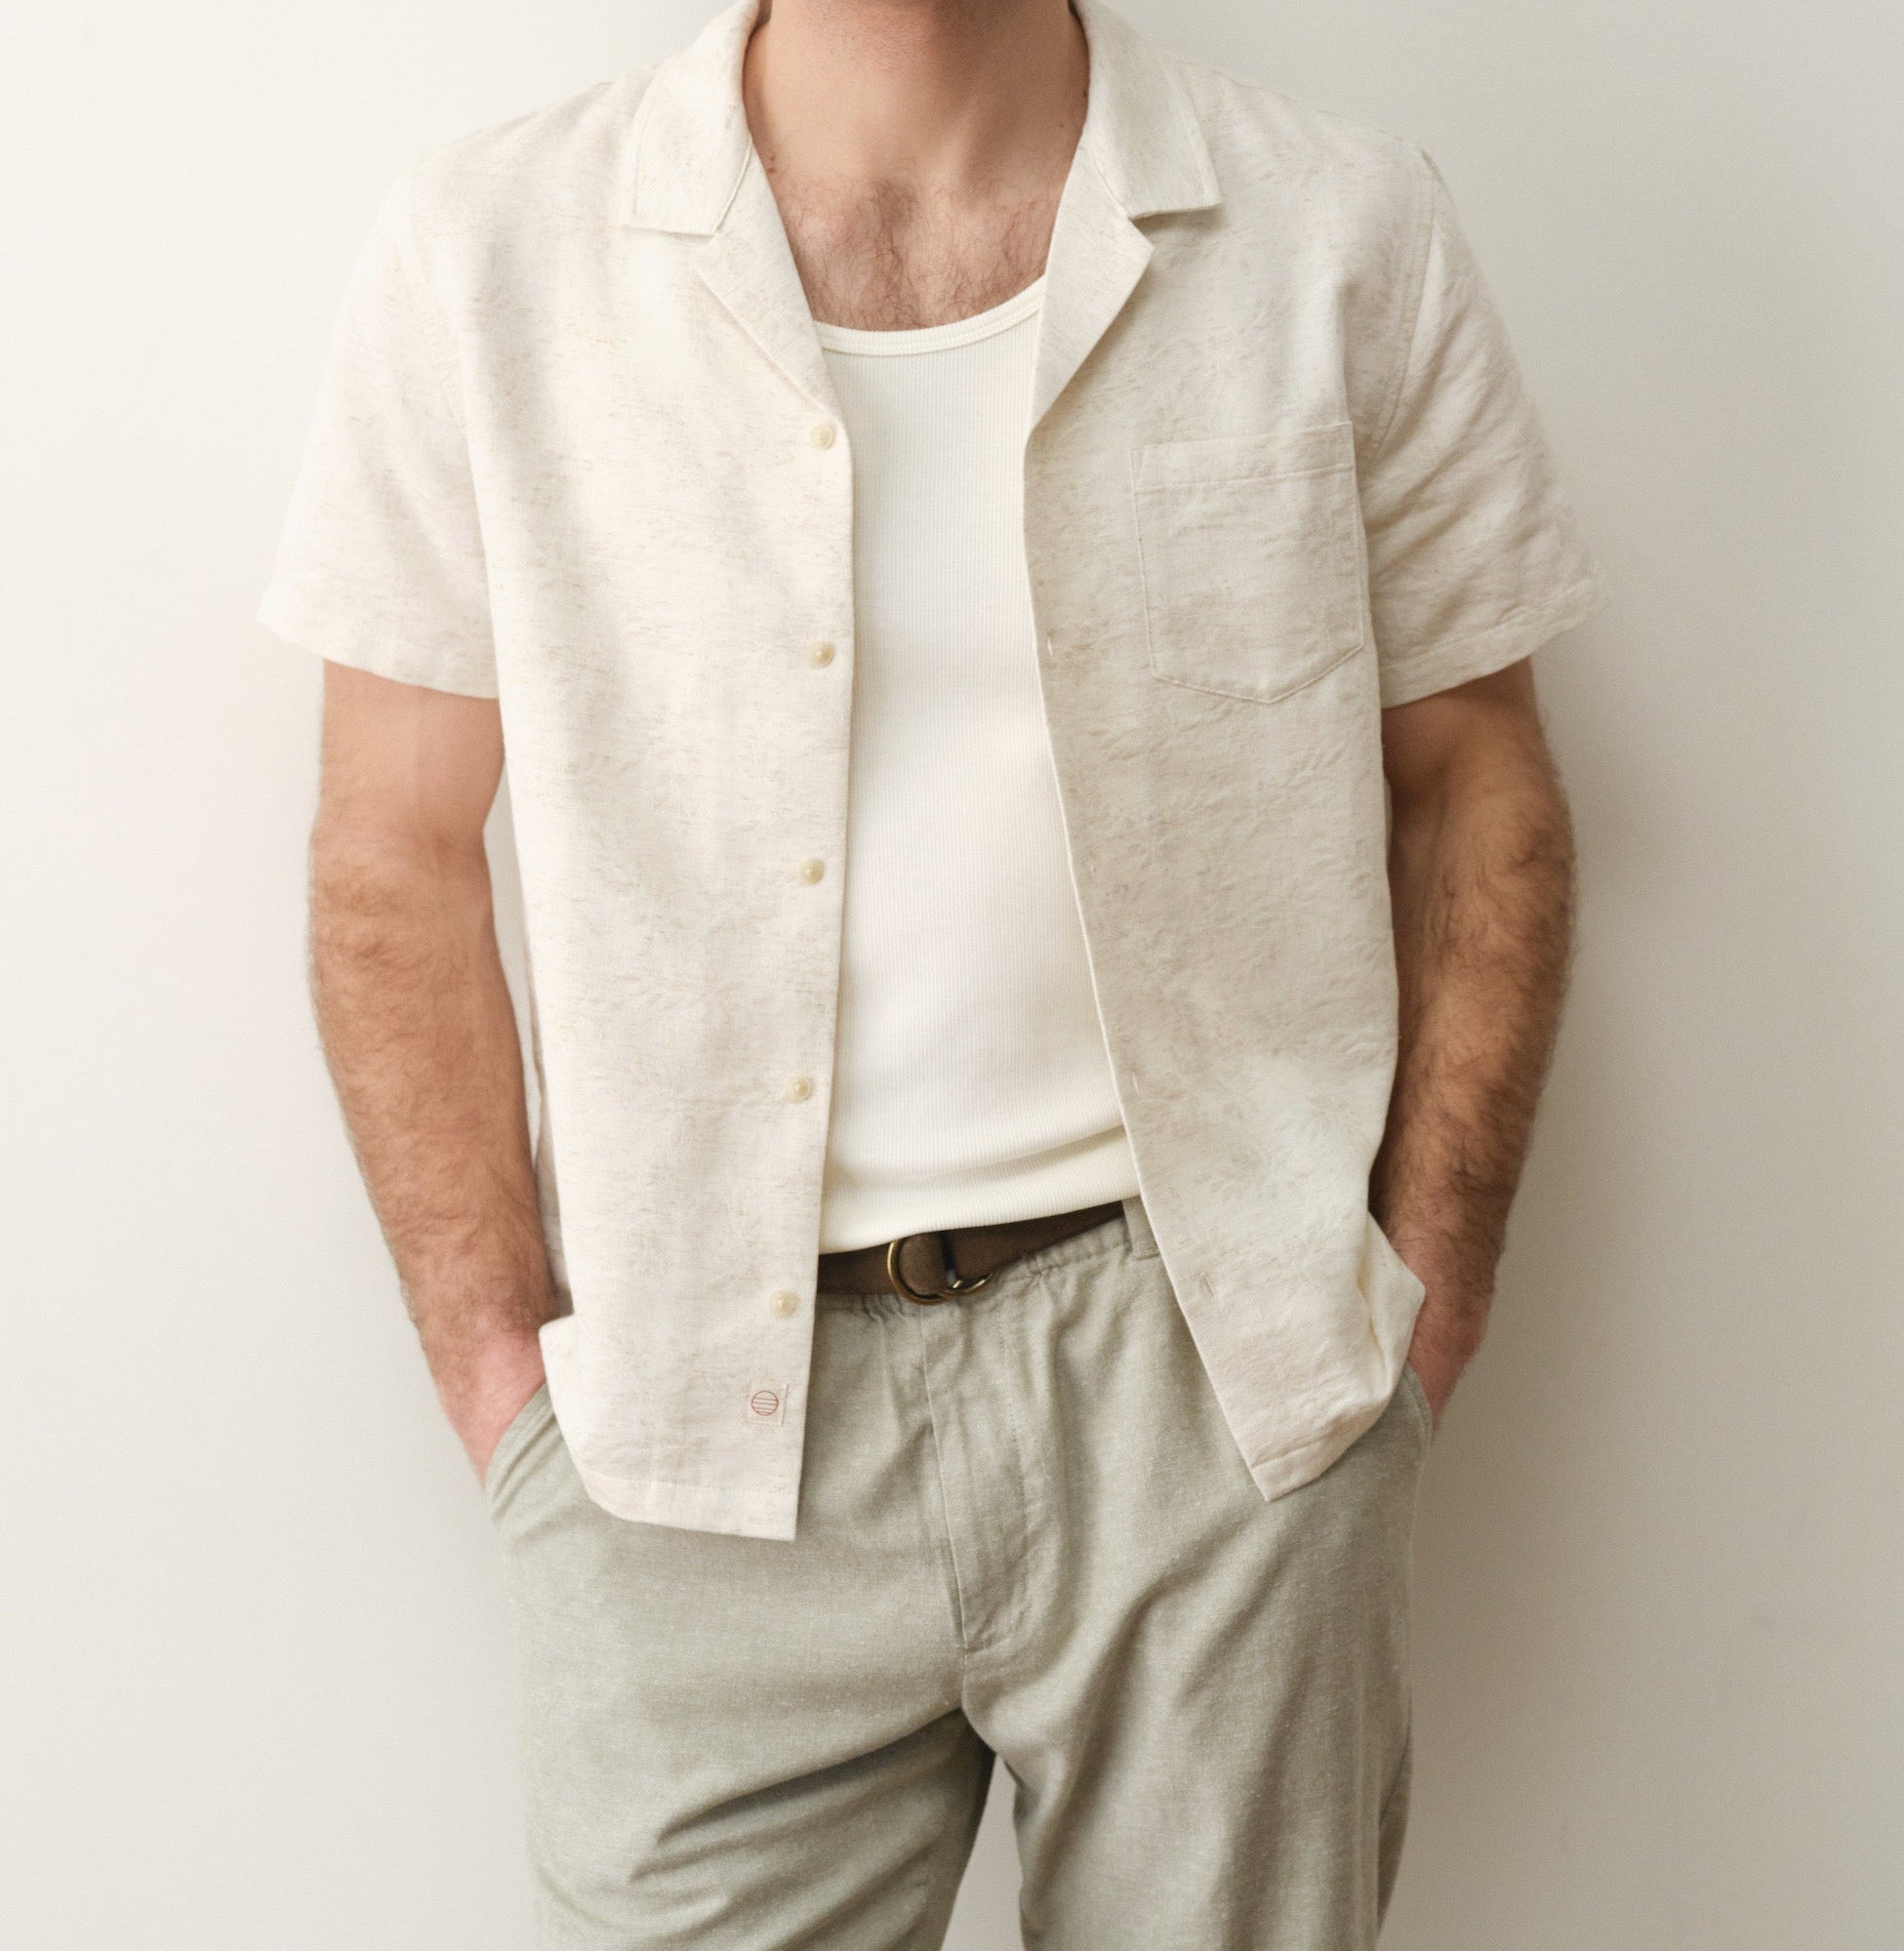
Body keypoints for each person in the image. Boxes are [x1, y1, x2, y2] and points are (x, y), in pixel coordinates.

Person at [258, 0, 1605, 1941]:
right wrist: (509, 1397)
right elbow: (388, 852)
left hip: (1215, 1399)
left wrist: (1416, 1319)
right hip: (691, 1436)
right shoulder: (494, 251)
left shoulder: (1337, 226)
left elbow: (1477, 778)